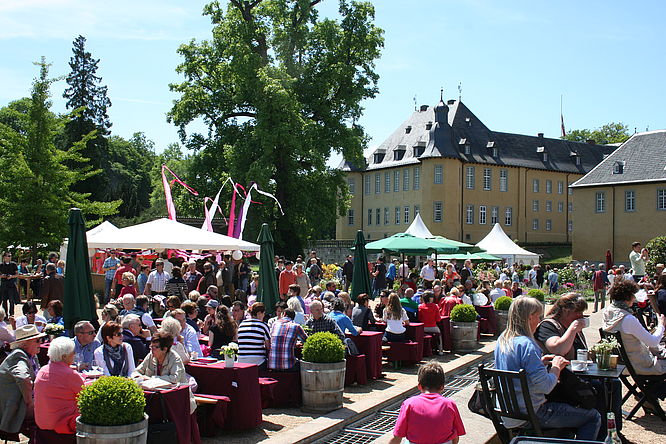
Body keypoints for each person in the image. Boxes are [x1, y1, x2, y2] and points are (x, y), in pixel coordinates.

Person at [495, 296, 600, 440]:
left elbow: (519, 370)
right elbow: (546, 387)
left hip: (508, 413)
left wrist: (541, 362)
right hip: (532, 414)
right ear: (530, 317)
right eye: (538, 317)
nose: (539, 322)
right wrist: (556, 367)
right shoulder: (528, 345)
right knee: (593, 417)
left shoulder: (503, 340)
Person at [535, 293, 623, 438]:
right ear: (565, 310)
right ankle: (601, 436)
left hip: (576, 376)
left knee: (614, 383)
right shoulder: (548, 326)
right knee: (599, 388)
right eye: (577, 312)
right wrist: (574, 328)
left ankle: (613, 431)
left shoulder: (571, 326)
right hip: (559, 382)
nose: (580, 316)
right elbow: (558, 349)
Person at [602, 279, 666, 381]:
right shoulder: (627, 319)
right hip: (640, 365)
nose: (635, 298)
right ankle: (653, 394)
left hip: (621, 363)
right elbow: (653, 342)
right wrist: (661, 325)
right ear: (628, 297)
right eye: (633, 295)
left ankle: (649, 394)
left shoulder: (608, 311)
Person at [388, 361, 465, 444]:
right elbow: (456, 435)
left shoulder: (409, 404)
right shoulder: (449, 404)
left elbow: (397, 436)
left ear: (419, 386)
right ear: (442, 387)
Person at [132, 332, 196, 413]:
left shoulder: (175, 358)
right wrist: (139, 377)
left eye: (155, 347)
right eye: (151, 346)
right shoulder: (150, 356)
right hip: (155, 398)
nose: (152, 350)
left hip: (178, 401)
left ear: (165, 349)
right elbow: (136, 372)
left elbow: (174, 378)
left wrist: (153, 379)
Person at [0, 325, 46, 437]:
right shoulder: (18, 356)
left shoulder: (31, 355)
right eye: (37, 340)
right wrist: (30, 403)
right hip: (16, 408)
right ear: (25, 343)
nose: (41, 343)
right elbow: (23, 377)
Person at [34, 337, 85, 436]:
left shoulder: (43, 370)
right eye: (72, 352)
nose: (74, 354)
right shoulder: (70, 375)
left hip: (42, 425)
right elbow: (85, 397)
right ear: (64, 356)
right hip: (63, 426)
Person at [237, 302, 270, 367]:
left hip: (241, 361)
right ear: (259, 313)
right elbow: (268, 346)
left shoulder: (241, 325)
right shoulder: (263, 325)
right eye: (263, 313)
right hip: (258, 362)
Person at [419, 291, 443, 355]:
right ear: (430, 298)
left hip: (423, 328)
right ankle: (440, 350)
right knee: (439, 334)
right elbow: (438, 319)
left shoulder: (420, 307)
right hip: (433, 327)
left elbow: (419, 318)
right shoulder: (435, 306)